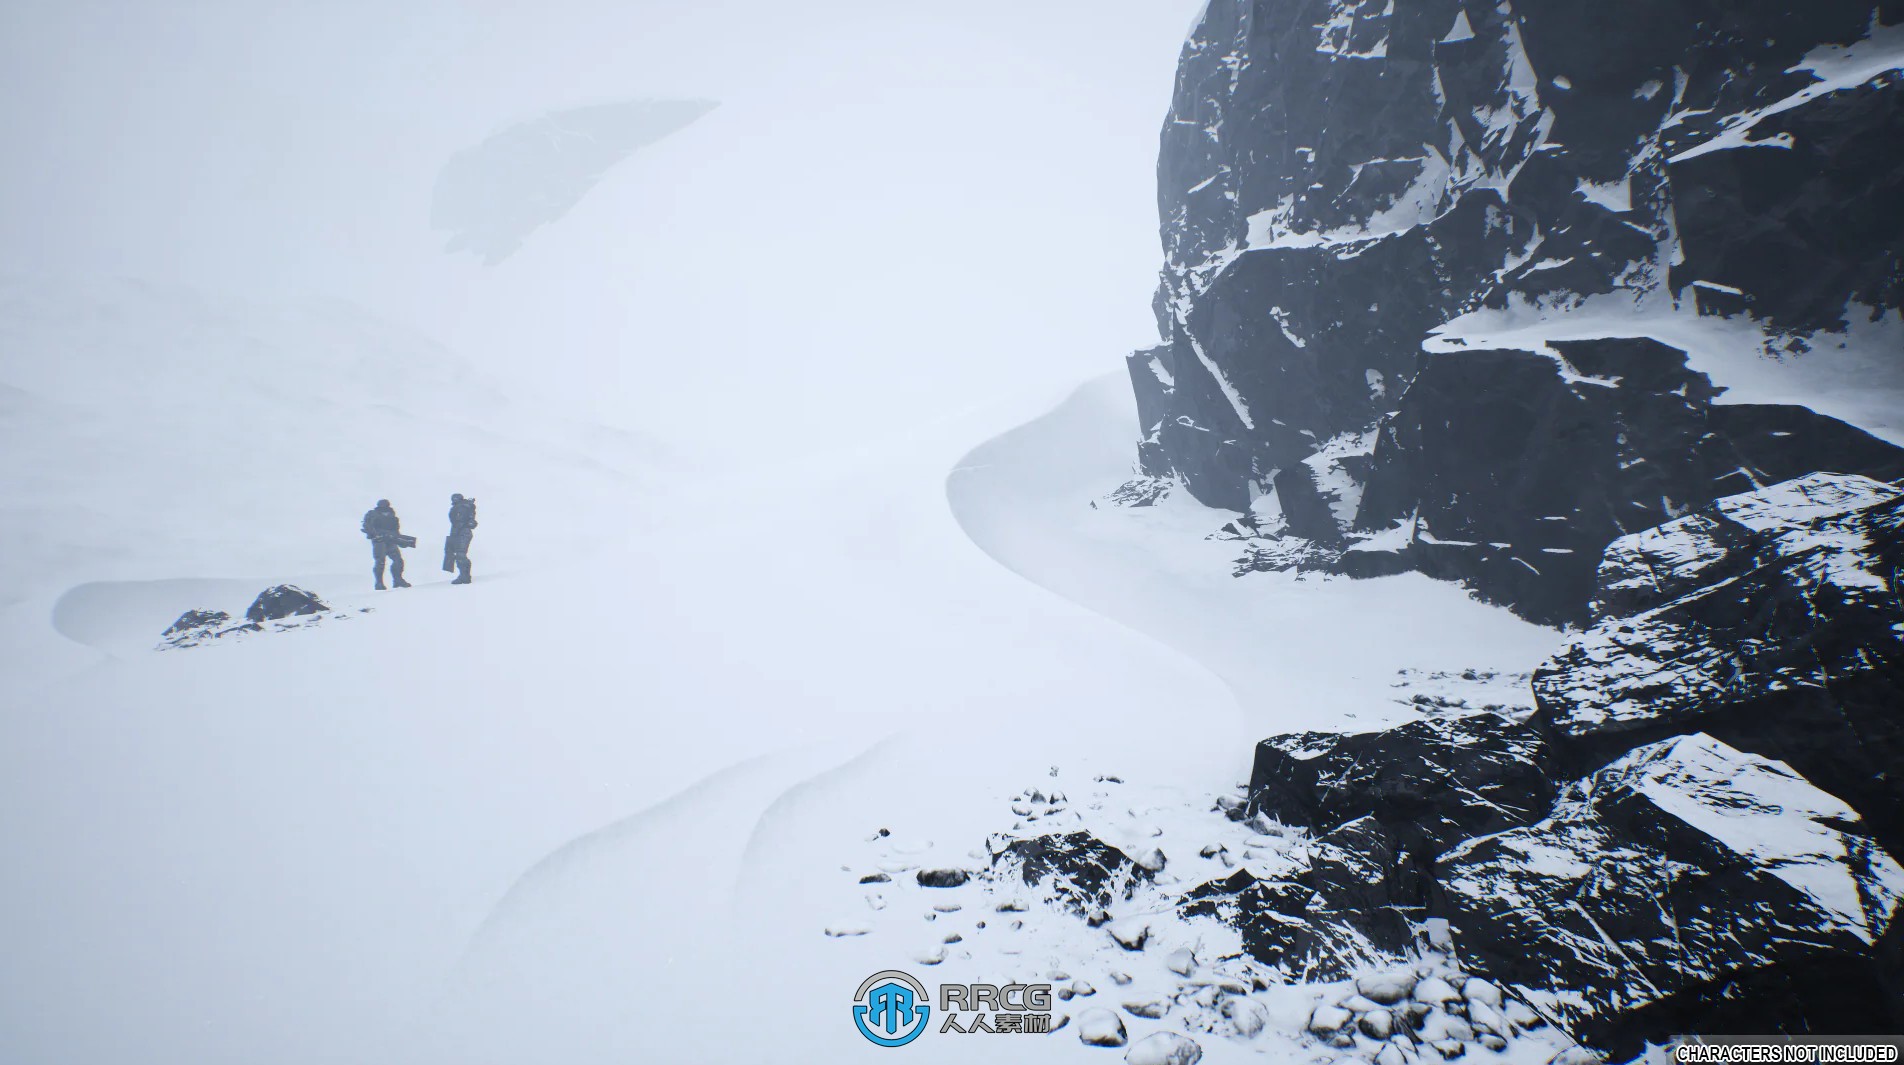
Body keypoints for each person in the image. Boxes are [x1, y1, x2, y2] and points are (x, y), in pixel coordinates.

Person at [361, 498, 412, 589]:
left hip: (390, 540)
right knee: (380, 562)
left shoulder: (392, 515)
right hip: (379, 541)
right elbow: (367, 526)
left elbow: (395, 530)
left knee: (398, 560)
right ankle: (379, 583)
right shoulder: (372, 514)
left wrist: (401, 540)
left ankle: (397, 579)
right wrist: (374, 535)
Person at [442, 493, 478, 585]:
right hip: (457, 532)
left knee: (460, 555)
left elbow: (462, 521)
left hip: (463, 532)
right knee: (459, 555)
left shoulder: (464, 507)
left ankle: (465, 576)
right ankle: (464, 575)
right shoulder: (460, 507)